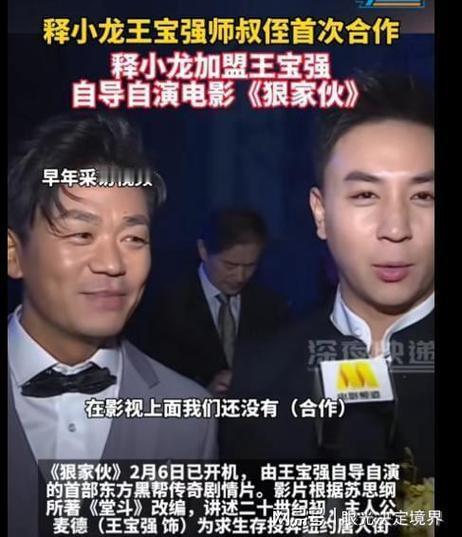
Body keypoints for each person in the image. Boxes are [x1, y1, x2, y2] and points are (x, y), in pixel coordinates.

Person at [7, 112, 217, 537]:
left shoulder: (189, 417)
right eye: (81, 235)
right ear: (14, 254)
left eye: (133, 239)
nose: (112, 264)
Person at [221, 72, 434, 480]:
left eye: (423, 196)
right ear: (320, 213)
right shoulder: (261, 375)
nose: (395, 228)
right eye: (365, 195)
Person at [131, 209, 291, 393]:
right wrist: (203, 395)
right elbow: (151, 382)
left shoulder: (272, 307)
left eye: (250, 266)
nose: (240, 276)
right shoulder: (165, 306)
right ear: (203, 251)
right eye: (230, 265)